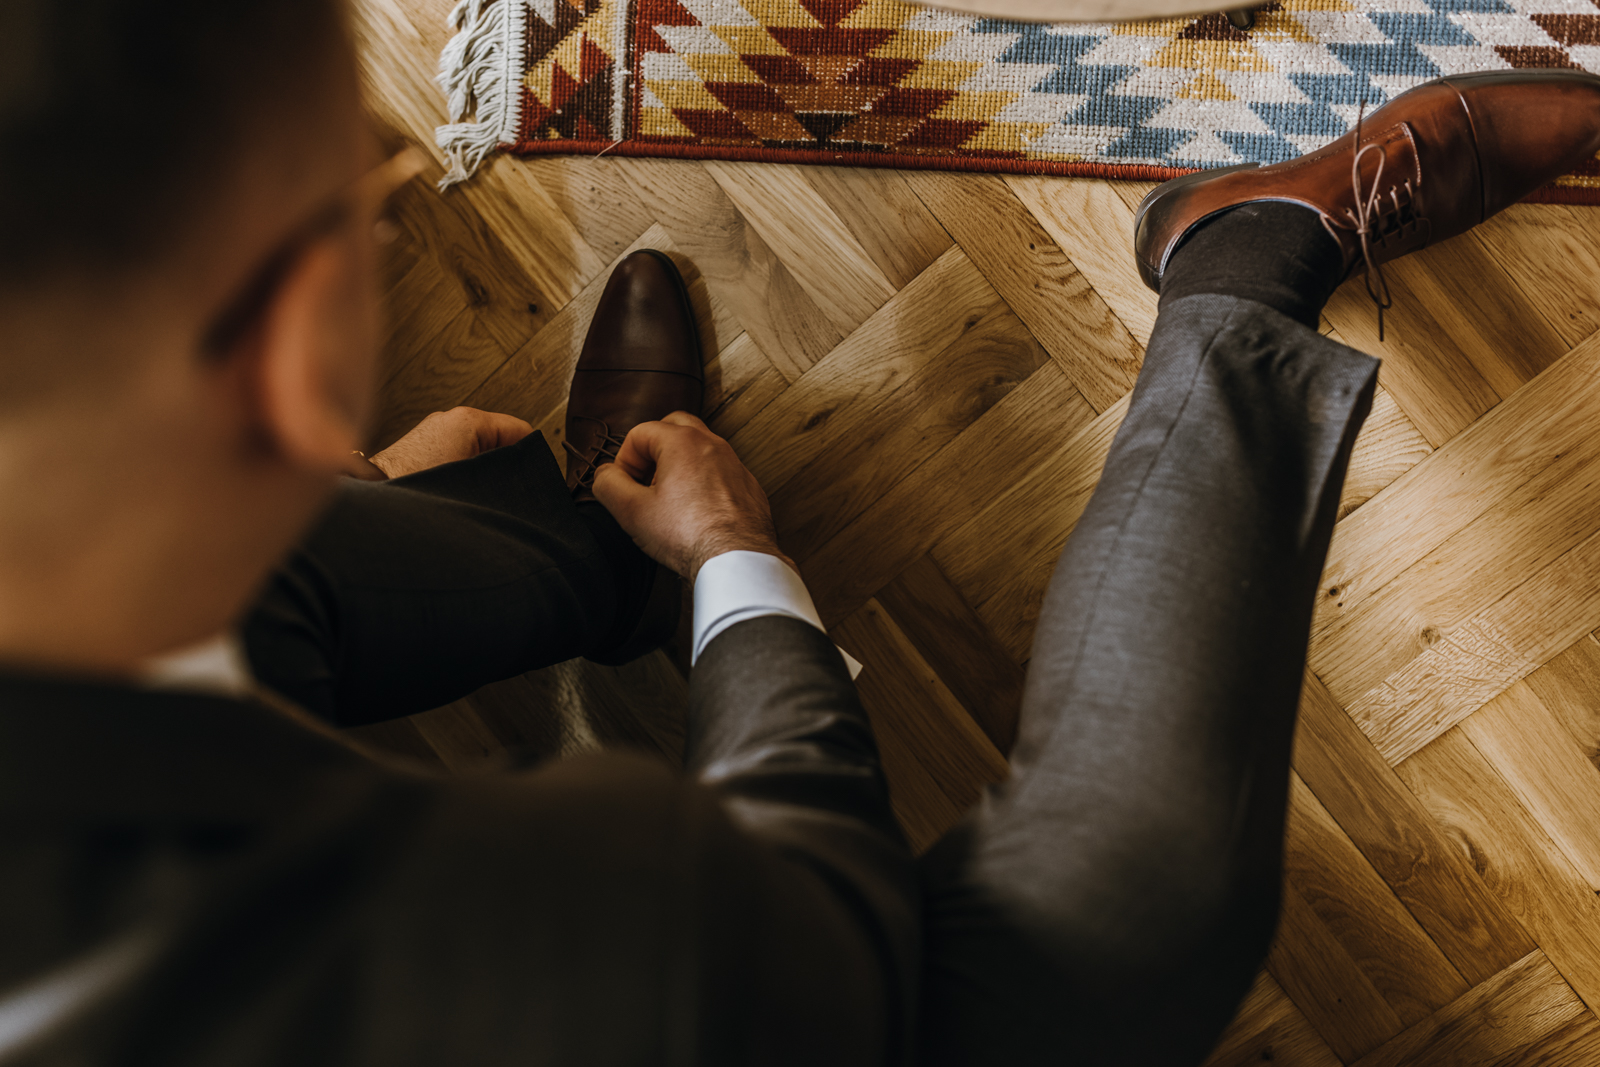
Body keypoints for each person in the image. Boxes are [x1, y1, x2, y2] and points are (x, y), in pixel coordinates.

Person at [1, 0, 1597, 1060]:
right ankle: (1247, 263)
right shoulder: (491, 957)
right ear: (293, 347)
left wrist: (316, 493)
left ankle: (585, 553)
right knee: (1136, 909)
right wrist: (738, 570)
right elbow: (812, 897)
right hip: (726, 1003)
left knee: (281, 580)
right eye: (369, 197)